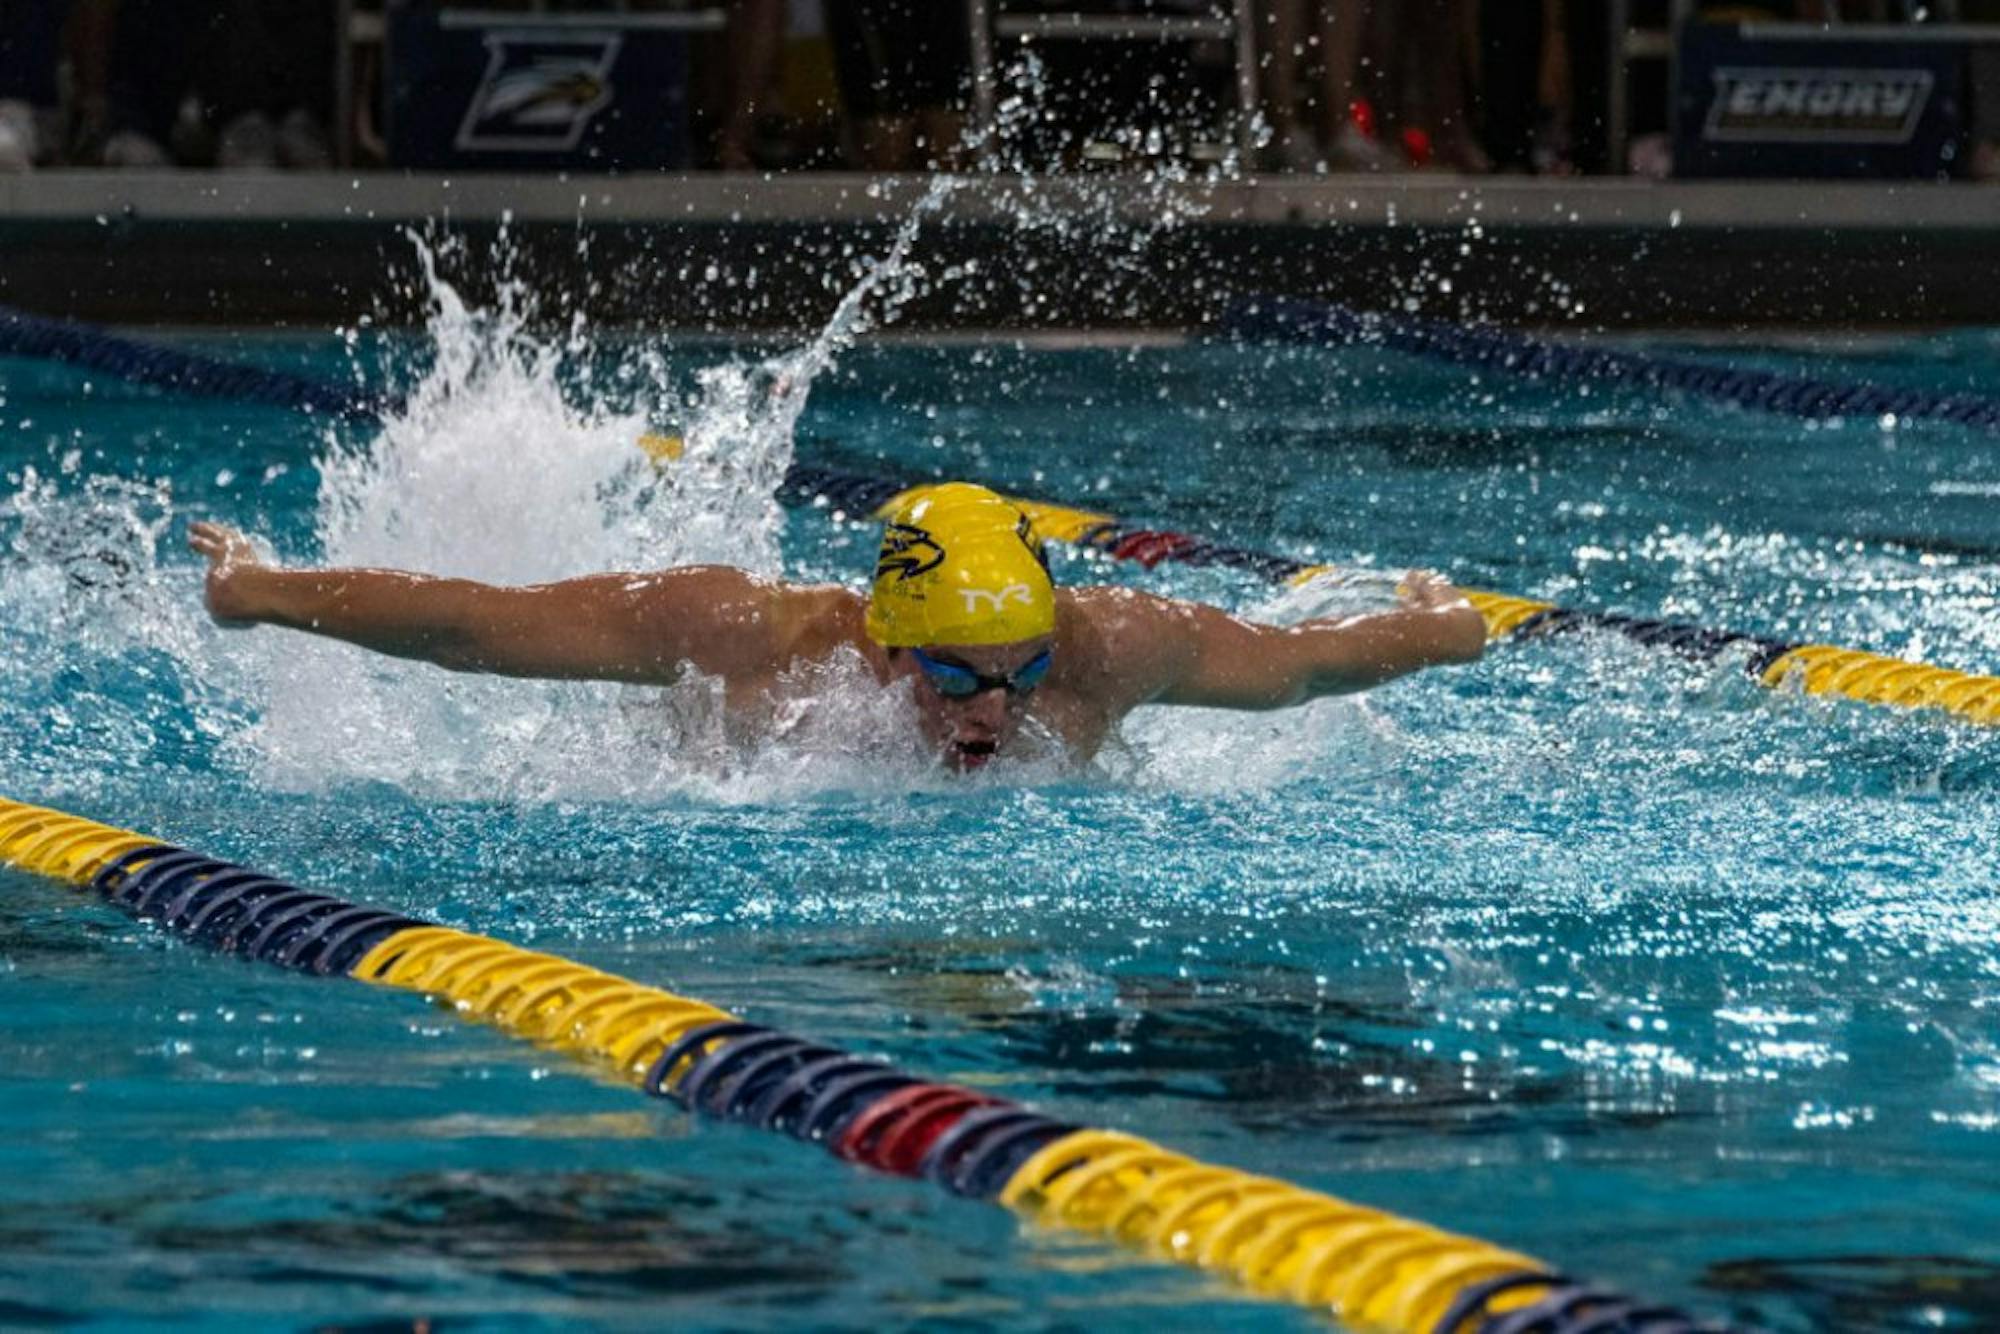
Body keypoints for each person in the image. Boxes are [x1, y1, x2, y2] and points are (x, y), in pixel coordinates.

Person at [189, 483, 1486, 771]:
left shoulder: (1113, 648)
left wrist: (1444, 627)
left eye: (1023, 670)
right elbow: (479, 628)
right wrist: (266, 588)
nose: (996, 710)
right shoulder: (746, 635)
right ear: (883, 641)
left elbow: (1303, 666)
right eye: (957, 678)